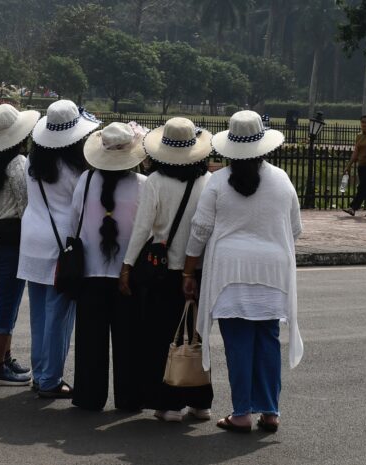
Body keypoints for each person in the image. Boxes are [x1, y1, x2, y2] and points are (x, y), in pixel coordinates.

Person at [183, 110, 304, 433]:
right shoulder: (282, 179)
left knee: (238, 344)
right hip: (272, 274)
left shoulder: (218, 181)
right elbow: (295, 229)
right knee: (268, 342)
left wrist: (188, 272)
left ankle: (241, 414)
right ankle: (270, 411)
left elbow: (200, 230)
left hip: (229, 274)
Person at [121, 117, 215, 422]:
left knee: (163, 337)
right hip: (197, 268)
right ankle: (200, 401)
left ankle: (170, 403)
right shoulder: (207, 181)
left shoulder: (156, 182)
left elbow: (142, 228)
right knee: (195, 335)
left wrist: (127, 265)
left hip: (164, 271)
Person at [18, 100, 100, 398]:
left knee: (39, 314)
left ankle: (40, 373)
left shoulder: (33, 160)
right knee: (59, 315)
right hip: (62, 243)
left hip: (32, 238)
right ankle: (51, 379)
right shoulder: (77, 168)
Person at [71, 122, 148, 411]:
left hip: (90, 272)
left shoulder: (86, 180)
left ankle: (89, 397)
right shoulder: (142, 185)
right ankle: (129, 399)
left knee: (90, 340)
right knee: (130, 340)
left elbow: (73, 221)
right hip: (128, 274)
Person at [0, 104, 38, 386]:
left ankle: (5, 356)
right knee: (8, 303)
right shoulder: (17, 163)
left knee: (6, 299)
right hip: (11, 243)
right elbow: (26, 205)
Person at [342, 115, 366, 217]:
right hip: (361, 165)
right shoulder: (359, 136)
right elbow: (356, 152)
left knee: (362, 186)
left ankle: (353, 207)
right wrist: (348, 165)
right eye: (362, 122)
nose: (364, 124)